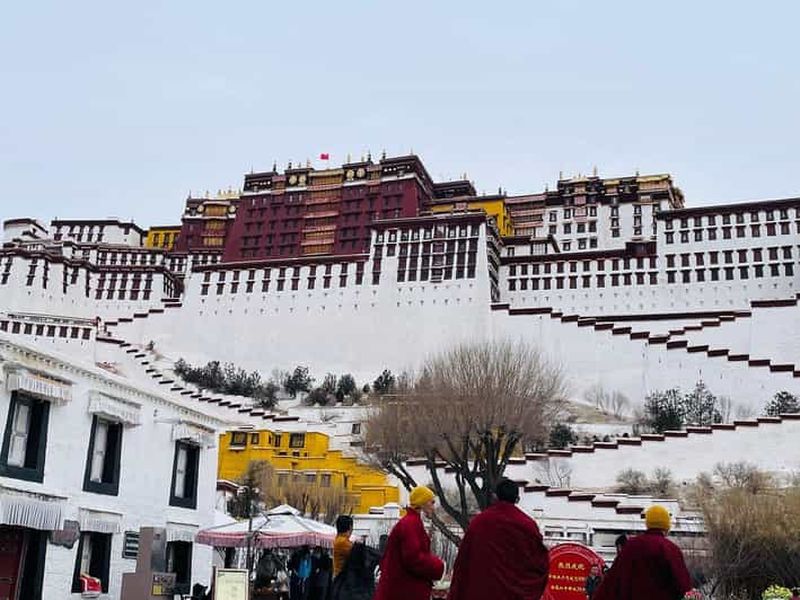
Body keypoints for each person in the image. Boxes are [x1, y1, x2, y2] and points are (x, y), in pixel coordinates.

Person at [447, 478, 549, 600]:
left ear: (495, 496)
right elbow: (539, 564)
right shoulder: (527, 524)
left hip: (481, 592)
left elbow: (463, 561)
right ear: (517, 499)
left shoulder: (479, 522)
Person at [594, 505, 693, 600]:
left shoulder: (631, 546)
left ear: (647, 524)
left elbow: (612, 582)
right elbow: (683, 585)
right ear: (667, 527)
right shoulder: (671, 549)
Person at [373, 485, 445, 600]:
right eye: (432, 502)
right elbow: (413, 558)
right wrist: (438, 566)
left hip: (400, 589)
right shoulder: (411, 524)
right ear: (423, 503)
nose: (433, 507)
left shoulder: (410, 522)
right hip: (404, 591)